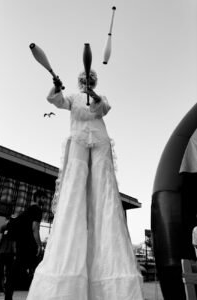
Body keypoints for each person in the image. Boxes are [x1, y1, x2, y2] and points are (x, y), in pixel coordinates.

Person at [26, 70, 144, 299]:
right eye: (84, 80)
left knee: (105, 193)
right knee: (74, 194)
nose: (86, 82)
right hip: (79, 139)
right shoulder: (72, 98)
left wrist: (95, 95)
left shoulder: (101, 97)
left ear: (93, 82)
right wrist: (57, 87)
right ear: (79, 82)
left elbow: (103, 109)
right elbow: (55, 101)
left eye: (90, 80)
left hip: (99, 141)